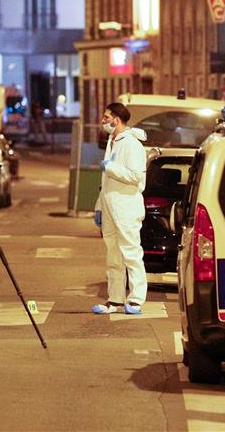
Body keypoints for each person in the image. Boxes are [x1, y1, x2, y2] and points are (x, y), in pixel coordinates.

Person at [93, 103, 148, 315]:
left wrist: (111, 167)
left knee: (131, 254)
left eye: (107, 117)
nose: (103, 121)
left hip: (126, 207)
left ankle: (136, 299)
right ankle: (115, 300)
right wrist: (99, 206)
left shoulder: (132, 145)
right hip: (110, 206)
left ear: (117, 119)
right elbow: (105, 181)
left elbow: (136, 176)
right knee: (113, 256)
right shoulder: (112, 141)